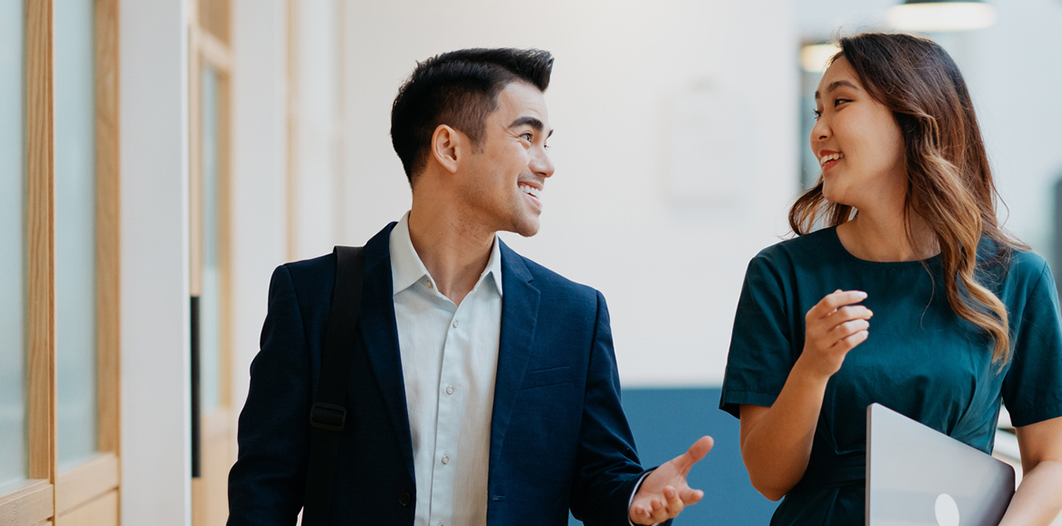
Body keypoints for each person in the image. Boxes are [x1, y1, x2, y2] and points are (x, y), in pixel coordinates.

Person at [228, 48, 712, 526]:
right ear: (450, 148)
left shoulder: (573, 315)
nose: (546, 165)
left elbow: (600, 476)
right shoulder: (314, 296)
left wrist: (634, 496)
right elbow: (263, 489)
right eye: (527, 136)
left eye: (547, 143)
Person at [719, 33, 1062, 526]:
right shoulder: (780, 274)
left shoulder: (1017, 278)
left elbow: (1052, 463)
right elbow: (768, 478)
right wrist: (813, 367)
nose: (819, 130)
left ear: (913, 115)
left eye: (840, 103)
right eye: (816, 112)